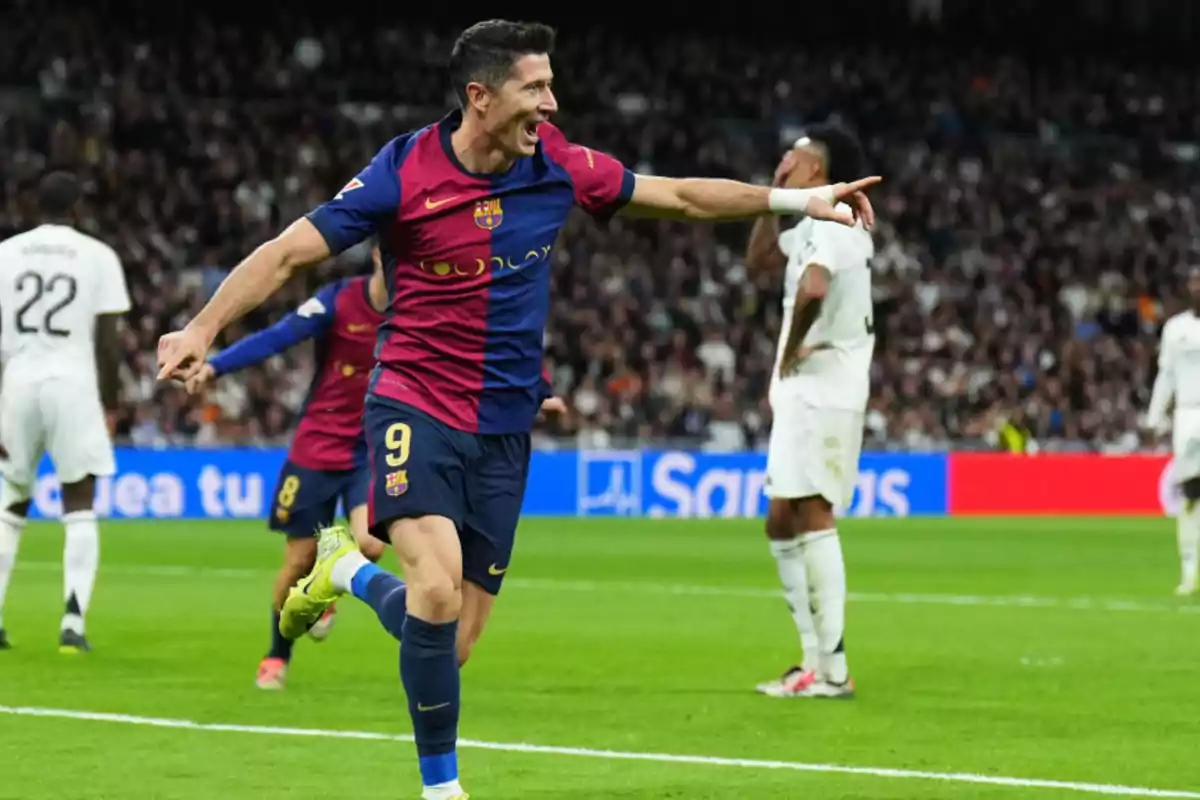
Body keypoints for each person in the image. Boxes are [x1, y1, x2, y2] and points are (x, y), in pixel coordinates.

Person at [156, 20, 879, 800]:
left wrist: (802, 200)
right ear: (480, 97)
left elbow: (675, 197)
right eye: (535, 88)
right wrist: (202, 327)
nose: (551, 102)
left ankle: (347, 571)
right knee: (433, 592)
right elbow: (290, 251)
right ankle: (443, 788)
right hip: (414, 401)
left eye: (549, 85)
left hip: (503, 428)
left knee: (451, 643)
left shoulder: (558, 165)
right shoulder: (402, 171)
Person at [185, 246, 390, 689]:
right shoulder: (337, 299)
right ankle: (277, 655)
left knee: (373, 543)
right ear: (377, 254)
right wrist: (216, 367)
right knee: (297, 561)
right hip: (317, 447)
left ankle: (328, 579)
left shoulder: (418, 313)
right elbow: (277, 336)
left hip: (371, 448)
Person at [744, 124, 875, 699]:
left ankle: (835, 669)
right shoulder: (810, 226)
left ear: (816, 169)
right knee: (780, 518)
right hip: (804, 390)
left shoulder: (837, 222)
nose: (785, 160)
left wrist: (793, 344)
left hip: (825, 386)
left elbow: (815, 290)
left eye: (792, 157)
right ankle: (812, 659)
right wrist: (770, 198)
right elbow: (761, 261)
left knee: (814, 511)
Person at [0, 171, 129, 654]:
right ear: (76, 208)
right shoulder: (98, 257)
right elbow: (109, 344)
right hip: (72, 384)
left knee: (10, 503)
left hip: (16, 382)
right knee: (79, 504)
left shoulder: (5, 254)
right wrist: (112, 405)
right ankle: (72, 621)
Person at [1146, 265, 1200, 596]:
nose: (1198, 287)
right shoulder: (1174, 328)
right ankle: (1189, 574)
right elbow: (1165, 375)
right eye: (1194, 282)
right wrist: (1155, 416)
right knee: (1191, 499)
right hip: (1187, 418)